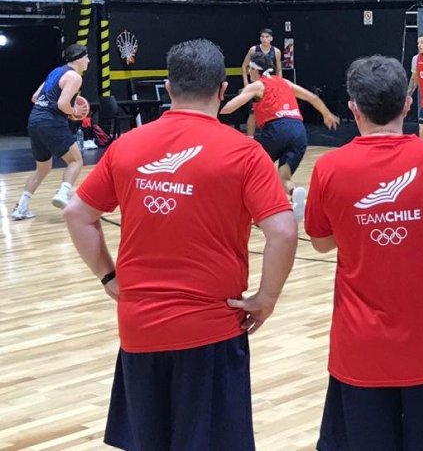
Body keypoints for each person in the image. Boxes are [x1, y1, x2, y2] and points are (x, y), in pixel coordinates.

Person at [63, 39, 299, 451]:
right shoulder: (245, 154)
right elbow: (282, 232)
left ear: (169, 90)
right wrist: (267, 298)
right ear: (223, 91)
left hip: (139, 330)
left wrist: (108, 276)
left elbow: (76, 214)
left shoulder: (126, 147)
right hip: (211, 332)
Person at [305, 55, 423, 451]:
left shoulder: (330, 168)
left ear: (353, 107)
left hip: (359, 353)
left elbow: (321, 242)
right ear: (408, 105)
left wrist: (358, 220)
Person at [221, 53, 340, 219]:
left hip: (277, 129)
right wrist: (327, 114)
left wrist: (217, 108)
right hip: (299, 132)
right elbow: (312, 97)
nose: (248, 72)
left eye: (250, 69)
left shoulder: (257, 85)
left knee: (249, 165)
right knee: (283, 177)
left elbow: (229, 108)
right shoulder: (285, 82)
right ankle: (294, 192)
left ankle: (243, 206)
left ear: (255, 71)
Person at [11, 43, 90, 219]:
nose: (88, 60)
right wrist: (74, 112)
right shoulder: (75, 77)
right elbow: (63, 104)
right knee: (76, 161)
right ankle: (63, 193)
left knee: (43, 168)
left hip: (34, 120)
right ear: (78, 59)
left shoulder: (55, 72)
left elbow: (34, 97)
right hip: (50, 121)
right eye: (86, 57)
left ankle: (21, 207)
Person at [241, 28, 282, 137]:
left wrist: (279, 83)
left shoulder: (276, 52)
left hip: (270, 86)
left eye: (267, 37)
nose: (264, 39)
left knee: (272, 112)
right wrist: (246, 82)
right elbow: (244, 66)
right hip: (257, 85)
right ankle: (250, 139)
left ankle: (272, 137)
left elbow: (279, 69)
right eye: (262, 36)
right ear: (260, 38)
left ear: (271, 38)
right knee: (252, 112)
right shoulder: (253, 50)